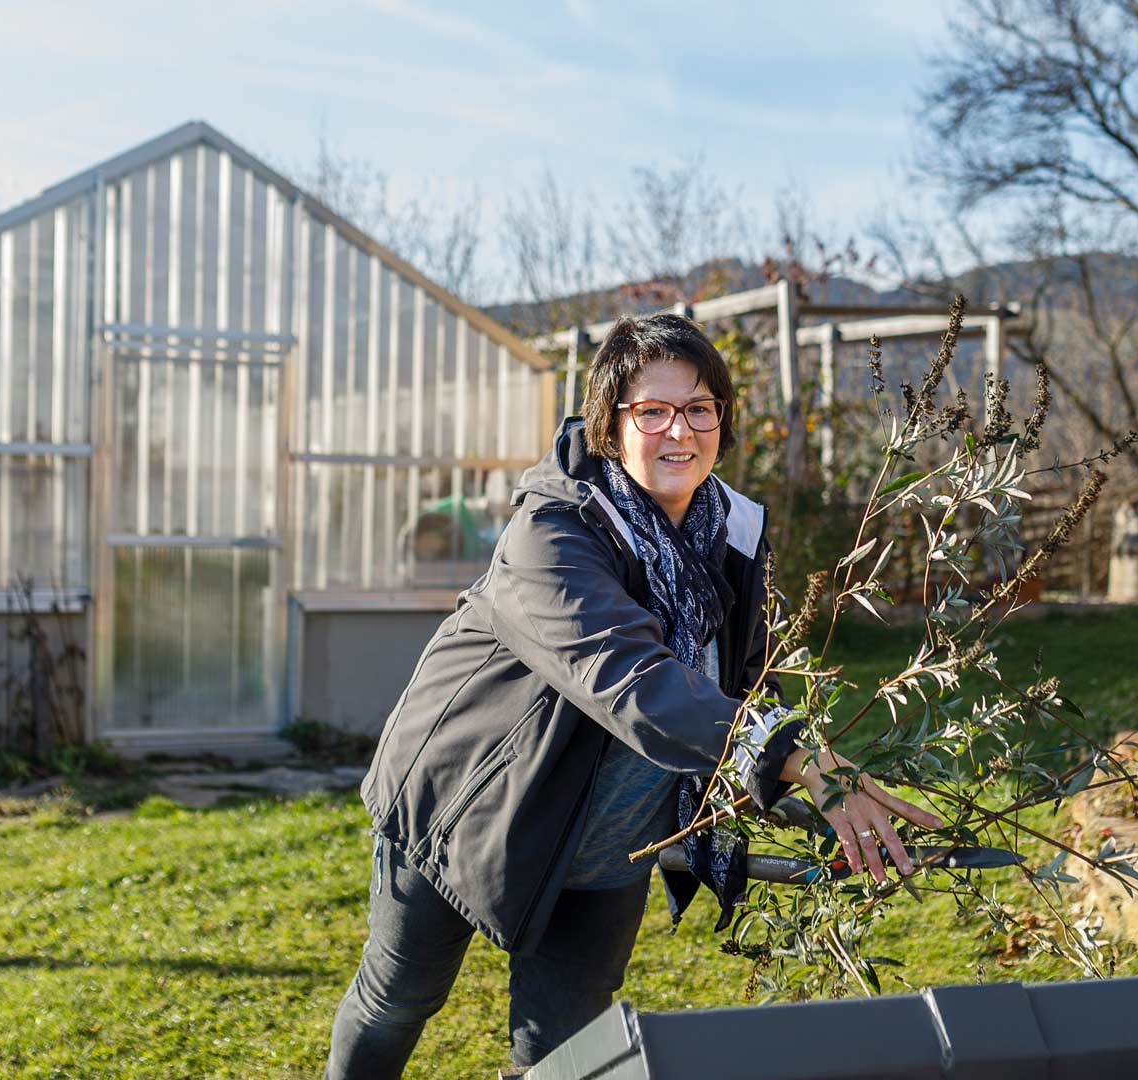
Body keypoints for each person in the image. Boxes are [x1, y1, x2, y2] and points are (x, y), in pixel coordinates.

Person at [323, 313, 943, 1078]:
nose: (678, 430)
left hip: (616, 836)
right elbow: (629, 676)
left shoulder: (733, 529)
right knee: (399, 999)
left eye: (699, 408)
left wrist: (813, 796)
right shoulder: (551, 533)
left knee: (565, 1051)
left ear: (721, 420)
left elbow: (743, 681)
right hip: (470, 803)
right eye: (651, 410)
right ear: (611, 426)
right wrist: (790, 756)